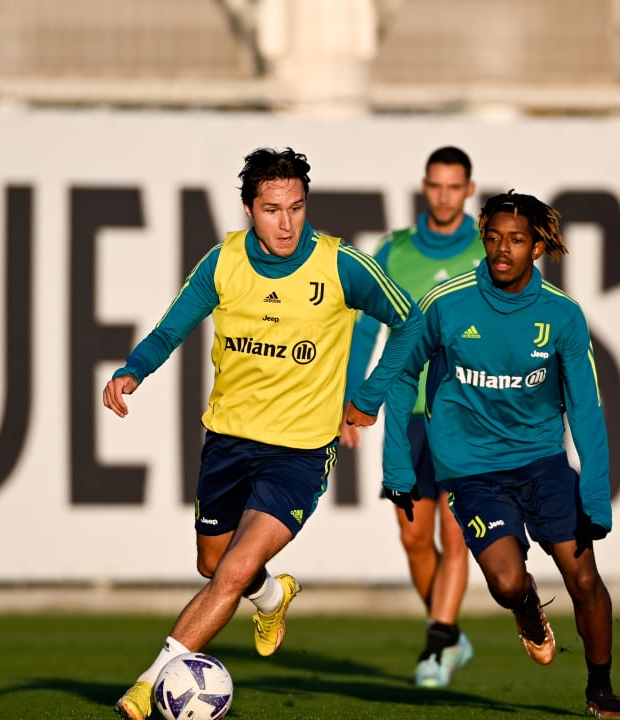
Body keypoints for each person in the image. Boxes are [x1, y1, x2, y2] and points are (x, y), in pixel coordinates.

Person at [103, 147, 421, 720]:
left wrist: (368, 396)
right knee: (213, 563)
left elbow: (411, 321)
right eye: (273, 209)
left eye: (297, 208)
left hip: (299, 452)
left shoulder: (340, 264)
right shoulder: (224, 262)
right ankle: (273, 596)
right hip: (227, 442)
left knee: (230, 571)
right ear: (249, 208)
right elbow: (171, 326)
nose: (287, 223)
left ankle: (150, 684)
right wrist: (132, 370)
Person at [383, 191, 620, 718]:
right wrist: (398, 463)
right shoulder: (448, 304)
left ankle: (600, 689)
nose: (502, 250)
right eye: (493, 238)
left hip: (542, 463)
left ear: (538, 247)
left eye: (516, 240)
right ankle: (526, 609)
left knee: (584, 578)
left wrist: (595, 493)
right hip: (473, 470)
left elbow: (585, 409)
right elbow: (403, 372)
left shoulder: (562, 316)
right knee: (506, 581)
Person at [342, 145, 483, 688]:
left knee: (455, 529)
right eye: (436, 185)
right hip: (407, 411)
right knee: (413, 538)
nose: (445, 196)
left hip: (468, 412)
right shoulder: (395, 250)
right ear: (425, 187)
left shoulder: (489, 250)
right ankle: (448, 633)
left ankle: (434, 647)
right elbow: (365, 328)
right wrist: (355, 401)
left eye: (455, 186)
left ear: (469, 190)